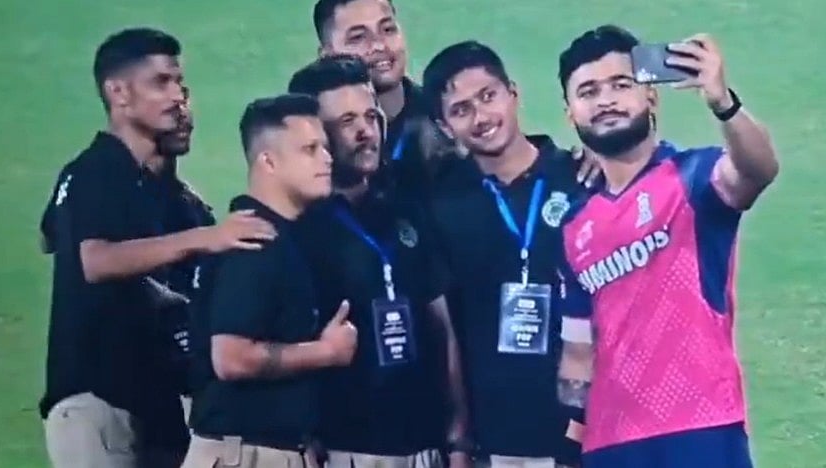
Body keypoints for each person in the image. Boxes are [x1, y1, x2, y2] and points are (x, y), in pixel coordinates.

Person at [39, 27, 274, 468]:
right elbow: (94, 260)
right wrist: (207, 238)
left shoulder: (177, 199)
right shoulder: (99, 167)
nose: (179, 96)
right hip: (99, 402)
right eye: (161, 82)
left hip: (161, 401)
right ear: (119, 93)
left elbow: (49, 232)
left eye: (180, 83)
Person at [554, 25, 779, 468]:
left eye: (621, 84)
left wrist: (723, 103)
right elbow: (578, 351)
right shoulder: (573, 227)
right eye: (588, 91)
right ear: (571, 113)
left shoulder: (694, 177)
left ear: (651, 96)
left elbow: (758, 171)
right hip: (608, 444)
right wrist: (568, 446)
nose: (605, 101)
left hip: (703, 428)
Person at [288, 55, 470, 468]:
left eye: (371, 116)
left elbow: (443, 326)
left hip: (427, 449)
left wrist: (459, 435)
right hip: (347, 451)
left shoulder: (407, 211)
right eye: (346, 121)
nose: (365, 131)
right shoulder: (297, 231)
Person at [422, 40, 591, 468]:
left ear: (513, 94)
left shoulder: (579, 178)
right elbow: (447, 329)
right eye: (461, 110)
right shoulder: (443, 205)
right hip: (493, 440)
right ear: (444, 127)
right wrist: (459, 436)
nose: (481, 118)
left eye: (488, 96)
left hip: (586, 432)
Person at [183, 93, 358, 468]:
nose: (327, 159)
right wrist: (326, 352)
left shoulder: (278, 235)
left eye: (325, 148)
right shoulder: (256, 239)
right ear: (268, 161)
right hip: (244, 454)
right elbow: (231, 357)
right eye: (310, 149)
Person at [311, 0, 456, 200]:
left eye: (388, 29)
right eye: (358, 38)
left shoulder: (446, 119)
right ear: (326, 55)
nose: (379, 45)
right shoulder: (311, 135)